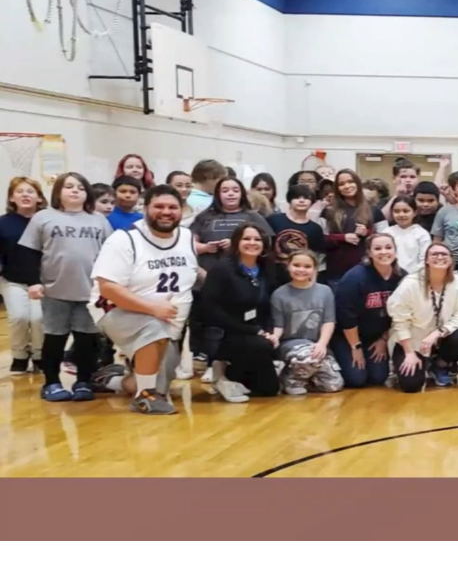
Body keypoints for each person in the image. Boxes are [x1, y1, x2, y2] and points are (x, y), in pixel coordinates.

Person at [89, 184, 200, 414]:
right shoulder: (124, 239)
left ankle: (112, 381)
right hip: (116, 307)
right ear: (145, 208)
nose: (166, 212)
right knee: (153, 329)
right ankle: (145, 398)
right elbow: (107, 287)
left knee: (159, 379)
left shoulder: (187, 237)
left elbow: (191, 270)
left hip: (166, 316)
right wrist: (152, 308)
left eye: (172, 207)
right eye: (158, 206)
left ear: (182, 210)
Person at [19, 172, 113, 402]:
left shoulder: (98, 219)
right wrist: (33, 282)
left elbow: (110, 253)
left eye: (80, 187)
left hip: (89, 291)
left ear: (87, 194)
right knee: (55, 338)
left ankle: (83, 380)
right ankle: (52, 382)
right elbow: (29, 252)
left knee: (86, 340)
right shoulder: (43, 217)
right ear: (58, 192)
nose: (75, 190)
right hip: (55, 290)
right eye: (69, 186)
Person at [199, 224, 283, 402]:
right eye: (246, 238)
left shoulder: (266, 269)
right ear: (236, 242)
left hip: (254, 332)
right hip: (225, 333)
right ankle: (221, 373)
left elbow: (266, 307)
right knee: (261, 345)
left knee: (269, 390)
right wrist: (256, 332)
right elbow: (209, 309)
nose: (252, 243)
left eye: (257, 239)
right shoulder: (222, 269)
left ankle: (235, 377)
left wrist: (269, 332)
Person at [388, 243, 458, 391]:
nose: (440, 257)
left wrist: (437, 333)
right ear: (426, 260)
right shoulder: (410, 284)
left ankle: (440, 365)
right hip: (413, 341)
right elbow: (400, 321)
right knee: (411, 386)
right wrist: (409, 353)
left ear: (451, 260)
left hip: (442, 339)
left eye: (444, 254)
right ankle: (419, 363)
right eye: (434, 254)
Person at [330, 233, 405, 388]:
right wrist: (355, 347)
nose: (384, 252)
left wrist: (384, 339)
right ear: (369, 253)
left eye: (388, 247)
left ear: (395, 250)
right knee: (356, 380)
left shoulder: (402, 277)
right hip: (347, 336)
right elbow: (345, 314)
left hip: (376, 337)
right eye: (378, 248)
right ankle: (334, 355)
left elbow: (402, 314)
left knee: (378, 378)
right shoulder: (355, 277)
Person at [269, 249, 343, 395]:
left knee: (333, 386)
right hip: (291, 345)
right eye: (296, 265)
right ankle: (290, 378)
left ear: (315, 269)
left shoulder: (325, 291)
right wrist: (275, 337)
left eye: (307, 266)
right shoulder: (279, 294)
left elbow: (329, 321)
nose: (301, 270)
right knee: (307, 357)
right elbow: (279, 325)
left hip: (317, 345)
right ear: (288, 266)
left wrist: (322, 344)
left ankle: (306, 376)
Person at [1, 177, 46, 374]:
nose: (25, 195)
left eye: (30, 191)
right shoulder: (3, 223)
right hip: (13, 280)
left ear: (39, 198)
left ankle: (39, 355)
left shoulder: (47, 221)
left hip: (43, 281)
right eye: (20, 191)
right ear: (12, 198)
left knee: (38, 318)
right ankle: (19, 355)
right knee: (18, 316)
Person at [322, 169, 387, 285]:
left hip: (368, 271)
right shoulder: (328, 211)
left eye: (350, 182)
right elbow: (320, 239)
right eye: (341, 184)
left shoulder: (374, 210)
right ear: (337, 188)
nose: (347, 186)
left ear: (357, 183)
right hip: (337, 273)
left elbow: (386, 239)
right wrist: (343, 238)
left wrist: (367, 233)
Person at [382, 195, 432, 276]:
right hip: (389, 276)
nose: (401, 215)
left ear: (415, 213)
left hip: (414, 277)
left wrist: (411, 277)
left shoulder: (421, 234)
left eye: (405, 211)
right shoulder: (386, 233)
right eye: (396, 211)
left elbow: (424, 260)